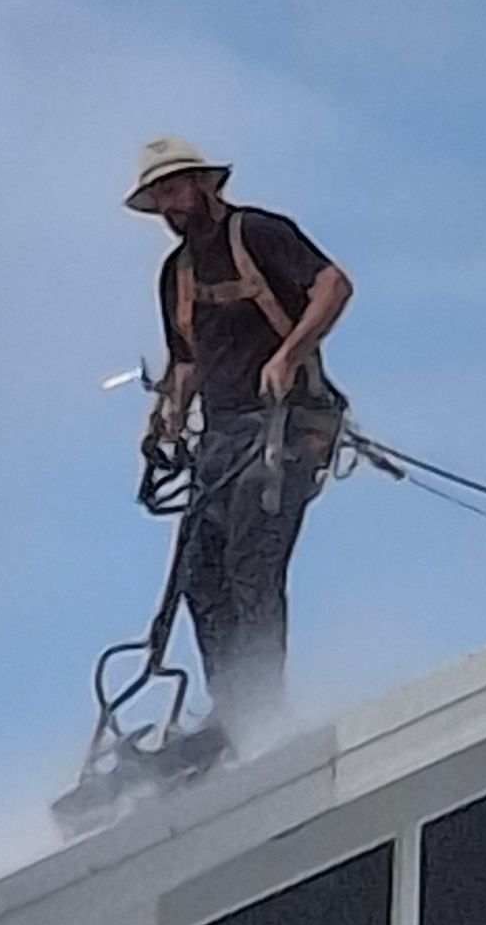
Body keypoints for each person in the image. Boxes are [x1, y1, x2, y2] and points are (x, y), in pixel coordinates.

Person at [124, 135, 353, 745]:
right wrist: (166, 415)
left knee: (252, 562)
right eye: (159, 197)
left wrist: (288, 355)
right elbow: (187, 360)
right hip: (220, 444)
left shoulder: (259, 234)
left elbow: (333, 285)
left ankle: (264, 713)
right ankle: (233, 709)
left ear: (204, 184)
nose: (170, 206)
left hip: (286, 429)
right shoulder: (177, 274)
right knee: (200, 575)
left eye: (174, 190)